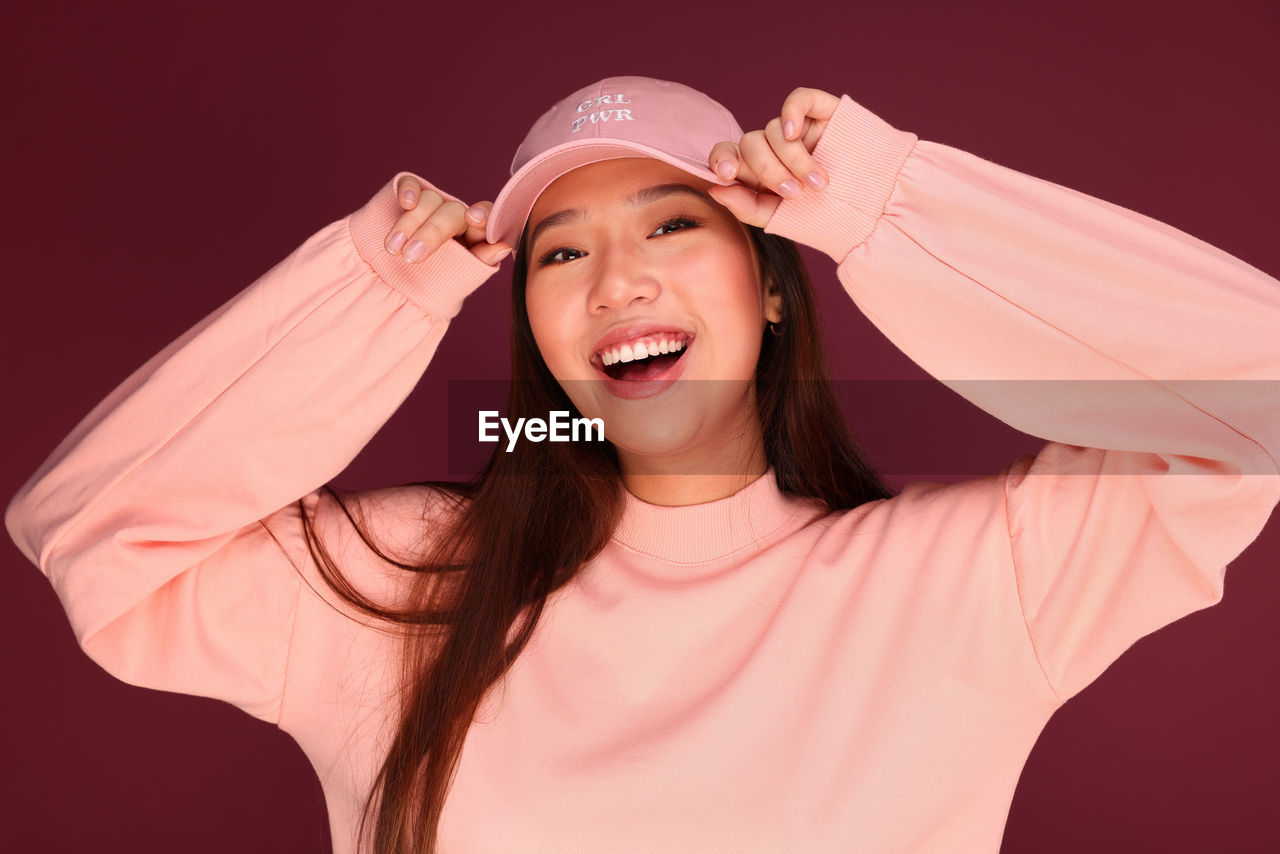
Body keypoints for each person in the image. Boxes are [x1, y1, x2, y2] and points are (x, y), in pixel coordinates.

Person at [6, 75, 1278, 853]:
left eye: (674, 222)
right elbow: (93, 532)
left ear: (772, 283)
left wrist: (880, 205)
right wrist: (380, 282)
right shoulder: (407, 581)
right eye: (561, 252)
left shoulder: (978, 577)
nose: (618, 281)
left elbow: (1258, 391)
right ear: (532, 323)